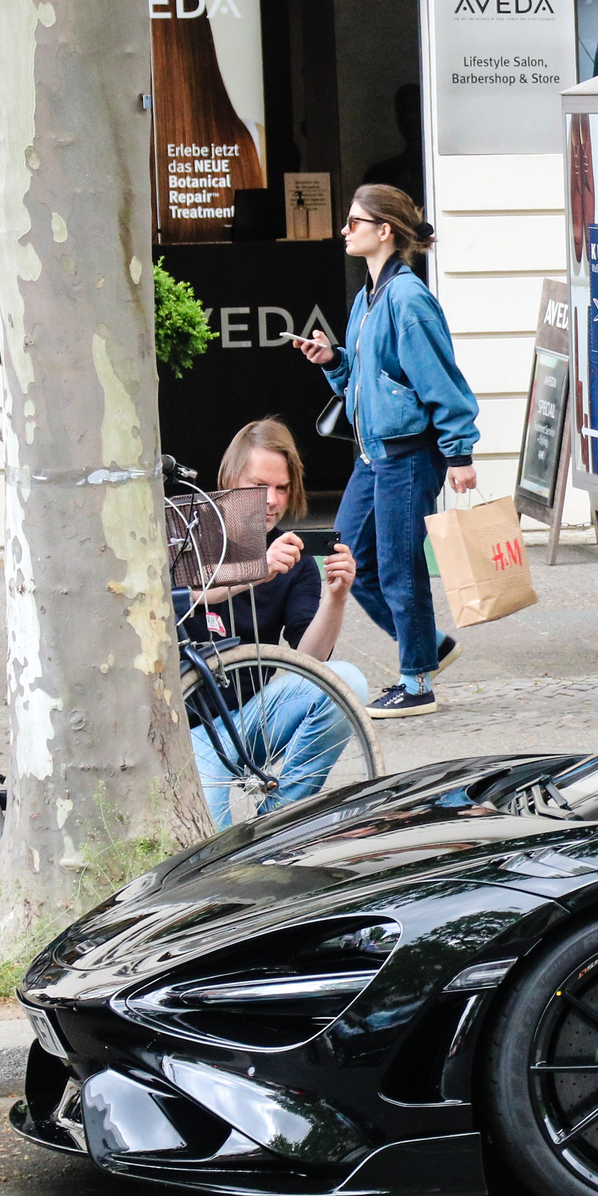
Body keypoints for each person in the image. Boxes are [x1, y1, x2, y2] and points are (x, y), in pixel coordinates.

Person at [295, 184, 478, 719]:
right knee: (349, 561)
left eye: (354, 222)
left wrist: (460, 454)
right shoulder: (367, 298)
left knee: (400, 569)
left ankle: (416, 682)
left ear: (385, 231)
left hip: (408, 454)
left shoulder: (408, 298)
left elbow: (440, 380)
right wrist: (331, 358)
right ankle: (431, 648)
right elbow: (365, 378)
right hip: (373, 454)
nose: (345, 230)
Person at [175, 419, 370, 828]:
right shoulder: (190, 532)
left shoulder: (291, 559)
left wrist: (335, 599)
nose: (271, 500)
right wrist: (252, 571)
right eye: (259, 485)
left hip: (250, 721)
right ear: (230, 479)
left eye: (281, 488)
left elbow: (310, 665)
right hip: (186, 731)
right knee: (211, 839)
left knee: (347, 680)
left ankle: (277, 822)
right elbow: (178, 600)